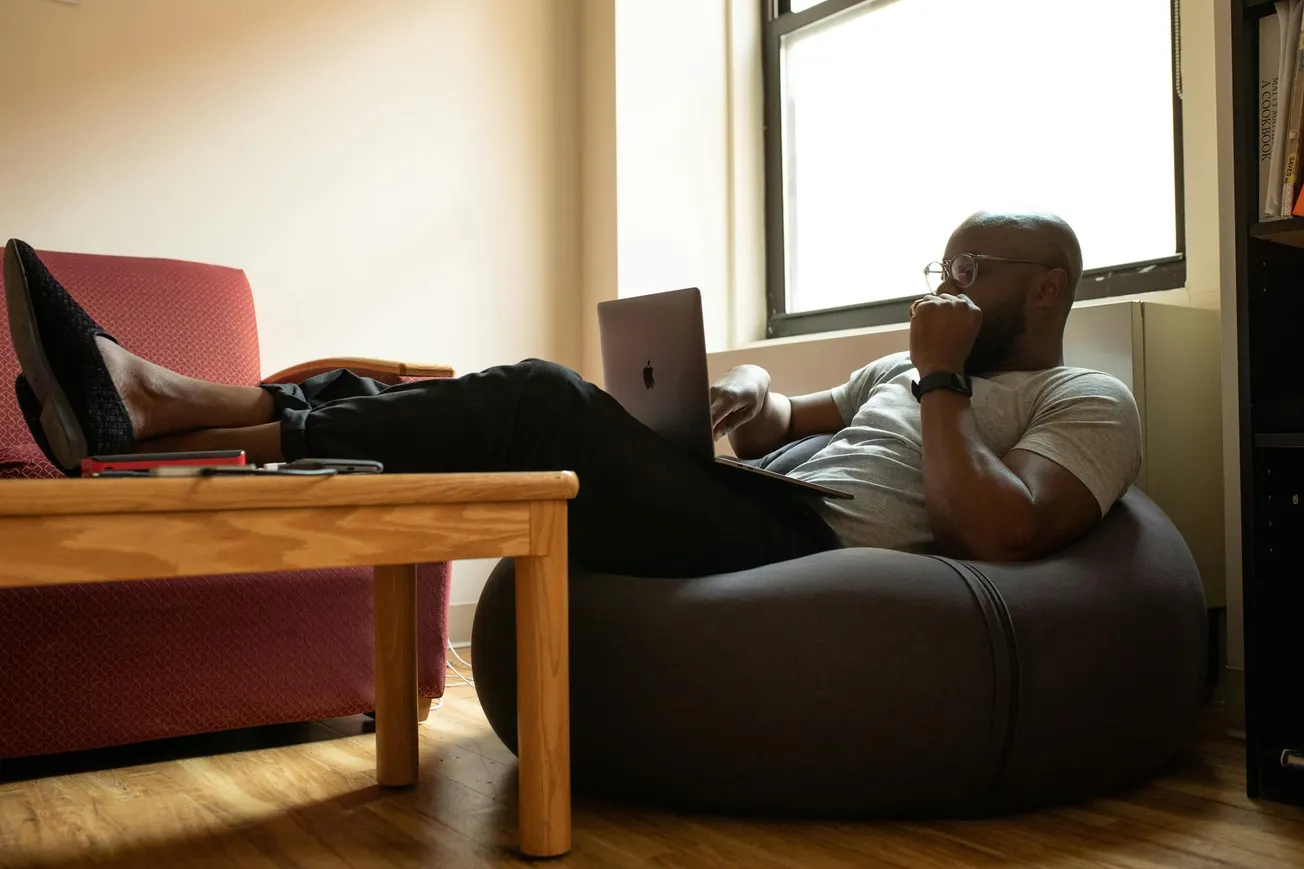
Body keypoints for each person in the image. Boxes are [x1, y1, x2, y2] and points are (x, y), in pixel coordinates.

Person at [4, 211, 1140, 579]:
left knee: (536, 400)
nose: (942, 286)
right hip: (754, 497)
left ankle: (158, 405)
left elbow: (990, 529)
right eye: (940, 265)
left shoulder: (1084, 401)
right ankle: (160, 412)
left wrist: (937, 372)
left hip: (803, 546)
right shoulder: (895, 371)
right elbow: (790, 418)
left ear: (1042, 290)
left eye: (967, 272)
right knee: (451, 398)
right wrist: (747, 388)